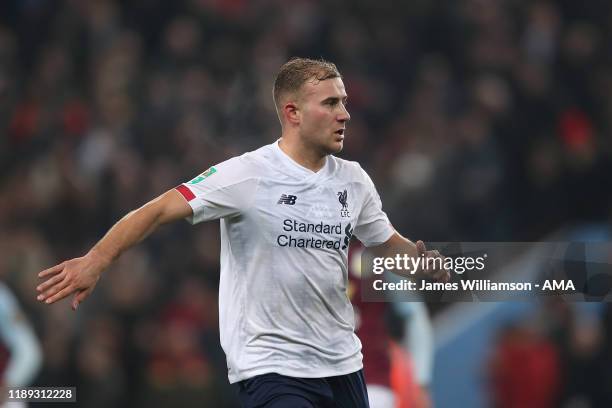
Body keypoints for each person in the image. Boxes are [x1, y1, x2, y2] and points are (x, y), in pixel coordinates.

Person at [36, 57, 449, 408]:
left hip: (343, 363)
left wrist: (421, 265)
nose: (344, 114)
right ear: (293, 113)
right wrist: (97, 260)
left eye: (343, 102)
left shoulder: (353, 181)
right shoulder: (248, 174)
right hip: (272, 366)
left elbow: (388, 243)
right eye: (330, 103)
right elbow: (159, 209)